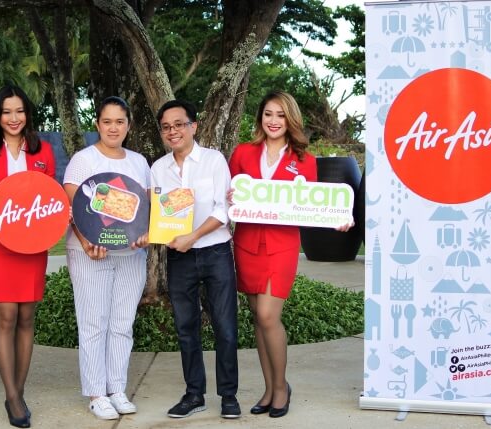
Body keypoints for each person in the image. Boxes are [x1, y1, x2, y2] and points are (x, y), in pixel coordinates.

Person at [228, 91, 352, 418]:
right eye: (268, 114)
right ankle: (269, 389)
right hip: (247, 244)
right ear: (260, 117)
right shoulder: (242, 153)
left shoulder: (304, 160)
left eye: (280, 115)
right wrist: (229, 197)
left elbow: (312, 207)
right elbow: (229, 196)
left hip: (281, 246)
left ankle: (282, 387)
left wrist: (337, 217)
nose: (273, 121)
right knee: (258, 317)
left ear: (290, 119)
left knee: (268, 315)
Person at [0, 84, 56, 428]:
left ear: (27, 114)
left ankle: (18, 389)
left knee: (26, 317)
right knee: (5, 315)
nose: (14, 118)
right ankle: (13, 396)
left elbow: (50, 195)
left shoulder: (42, 150)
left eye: (19, 111)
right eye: (7, 112)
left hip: (33, 245)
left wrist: (59, 213)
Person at [150, 100, 240, 419]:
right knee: (186, 327)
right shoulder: (158, 169)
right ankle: (194, 394)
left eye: (179, 124)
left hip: (215, 252)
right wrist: (156, 233)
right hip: (179, 257)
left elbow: (223, 209)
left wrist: (193, 236)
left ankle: (228, 395)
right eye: (166, 127)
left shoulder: (213, 160)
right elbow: (159, 213)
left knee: (225, 326)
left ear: (193, 126)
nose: (173, 131)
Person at [63, 96, 150, 420]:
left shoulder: (139, 163)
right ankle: (96, 394)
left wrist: (144, 234)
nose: (114, 128)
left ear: (129, 125)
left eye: (120, 122)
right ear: (97, 124)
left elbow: (145, 209)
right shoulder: (83, 160)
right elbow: (73, 208)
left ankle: (117, 389)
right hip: (90, 254)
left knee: (122, 323)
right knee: (93, 323)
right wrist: (87, 242)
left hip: (130, 254)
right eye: (107, 121)